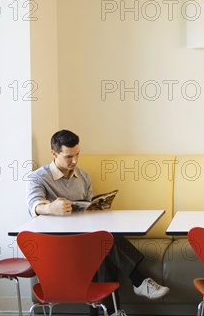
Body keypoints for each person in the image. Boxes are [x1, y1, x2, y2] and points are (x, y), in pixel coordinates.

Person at [26, 129, 170, 304]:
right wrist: (51, 208)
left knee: (101, 244)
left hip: (85, 237)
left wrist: (97, 207)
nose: (75, 161)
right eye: (69, 156)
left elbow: (87, 212)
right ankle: (138, 281)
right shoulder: (38, 177)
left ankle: (110, 309)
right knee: (103, 241)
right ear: (54, 153)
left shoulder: (84, 176)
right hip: (58, 243)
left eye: (77, 154)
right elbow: (34, 206)